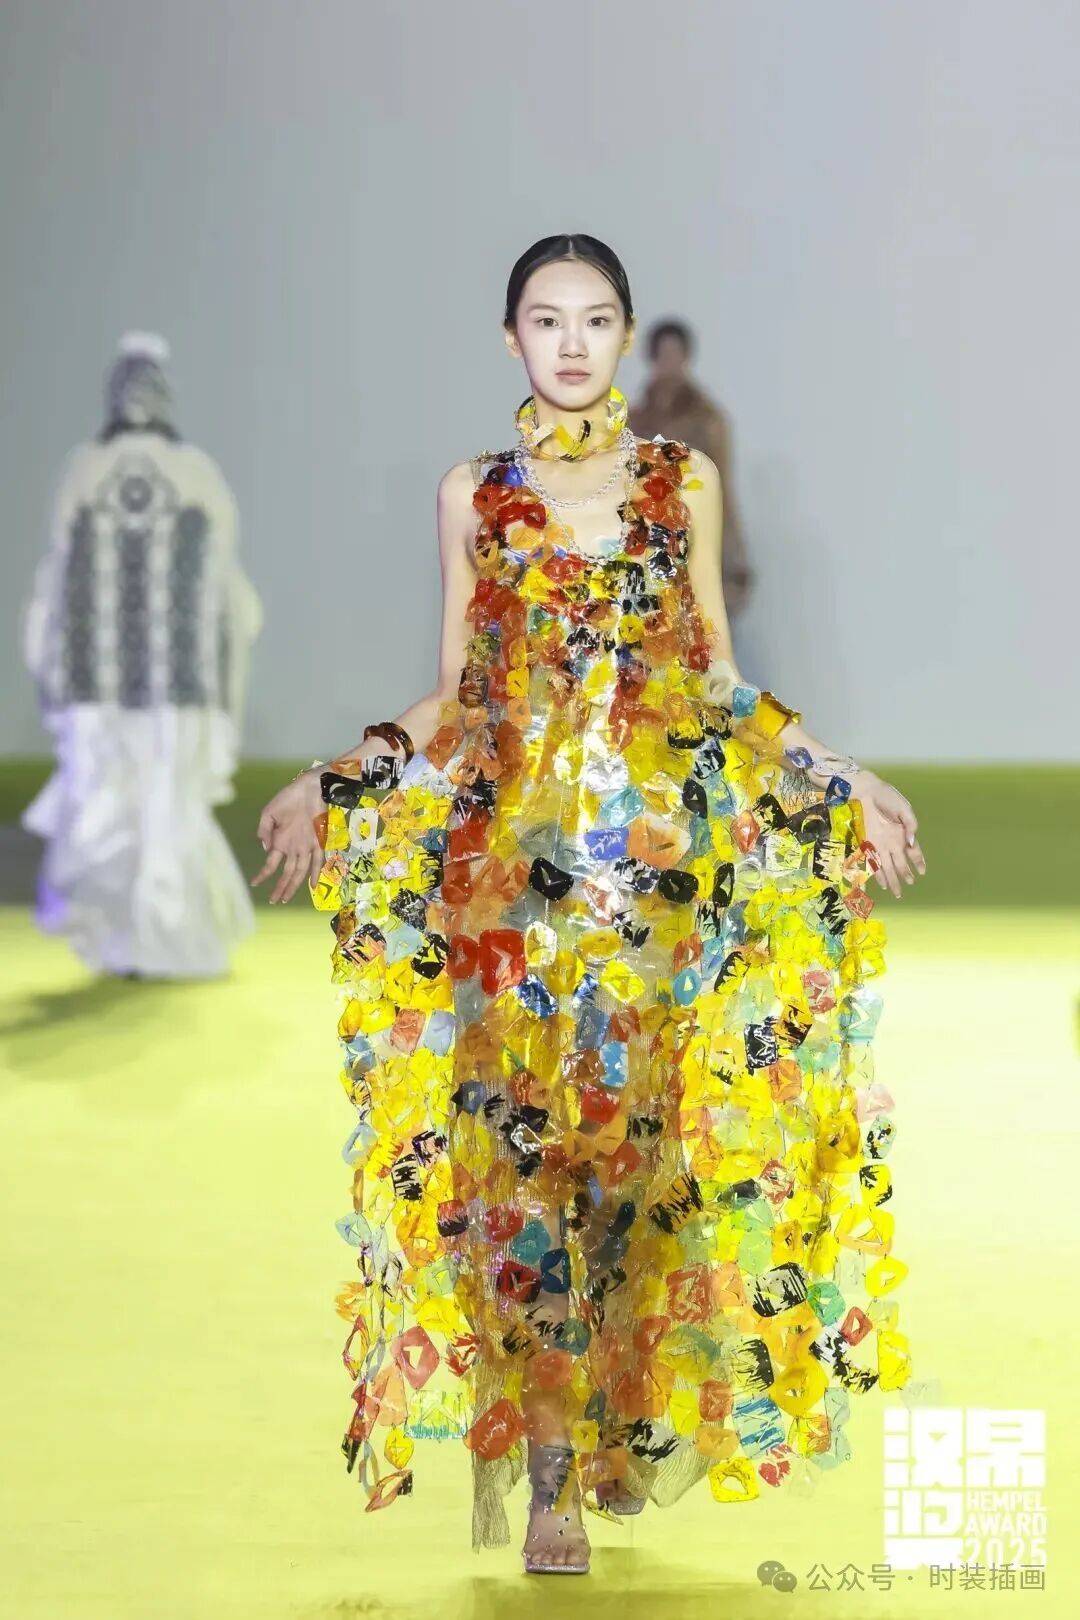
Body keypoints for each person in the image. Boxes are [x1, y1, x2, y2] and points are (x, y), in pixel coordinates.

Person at [252, 236, 926, 1576]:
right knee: (517, 1167)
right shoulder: (474, 492)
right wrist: (337, 774)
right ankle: (550, 1471)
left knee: (628, 1168)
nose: (572, 343)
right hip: (504, 882)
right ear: (509, 337)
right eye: (546, 319)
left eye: (596, 318)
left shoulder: (682, 482)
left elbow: (717, 680)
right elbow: (458, 694)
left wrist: (836, 771)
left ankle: (619, 1421)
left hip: (649, 880)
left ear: (624, 335)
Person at [22, 332, 263, 978]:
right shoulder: (186, 473)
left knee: (134, 810)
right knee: (149, 809)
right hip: (153, 686)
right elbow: (231, 596)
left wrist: (49, 671)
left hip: (125, 684)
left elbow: (51, 590)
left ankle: (151, 947)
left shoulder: (90, 469)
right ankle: (147, 946)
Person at [631, 318, 755, 620]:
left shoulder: (706, 422)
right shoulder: (635, 422)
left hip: (695, 541)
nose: (670, 363)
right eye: (663, 354)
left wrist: (733, 563)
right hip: (643, 548)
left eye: (676, 354)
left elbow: (722, 492)